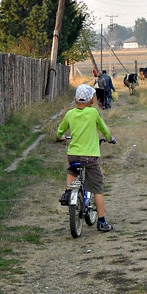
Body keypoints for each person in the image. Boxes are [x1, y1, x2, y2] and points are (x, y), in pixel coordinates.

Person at [57, 83, 116, 232]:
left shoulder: (70, 114)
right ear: (91, 100)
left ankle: (69, 191)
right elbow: (104, 129)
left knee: (72, 171)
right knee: (98, 188)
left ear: (76, 100)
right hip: (90, 157)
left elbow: (60, 130)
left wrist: (61, 137)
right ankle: (102, 222)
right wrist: (109, 138)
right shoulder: (93, 113)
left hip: (73, 155)